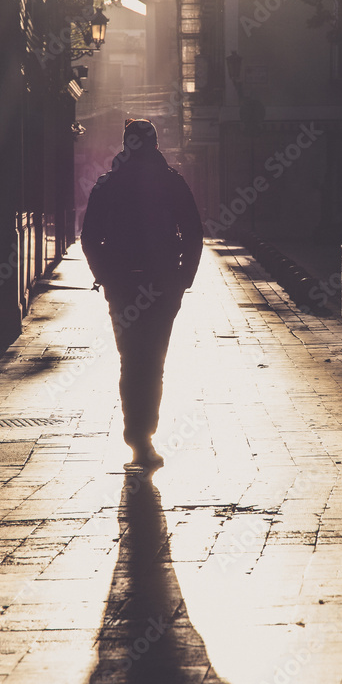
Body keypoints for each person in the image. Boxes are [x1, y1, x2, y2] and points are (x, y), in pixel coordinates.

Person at [81, 119, 203, 469]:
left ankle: (137, 438)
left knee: (130, 359)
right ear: (154, 143)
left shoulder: (108, 184)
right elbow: (194, 232)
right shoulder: (172, 182)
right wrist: (184, 279)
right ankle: (144, 437)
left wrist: (104, 276)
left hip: (122, 286)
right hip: (162, 285)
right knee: (153, 361)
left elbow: (89, 237)